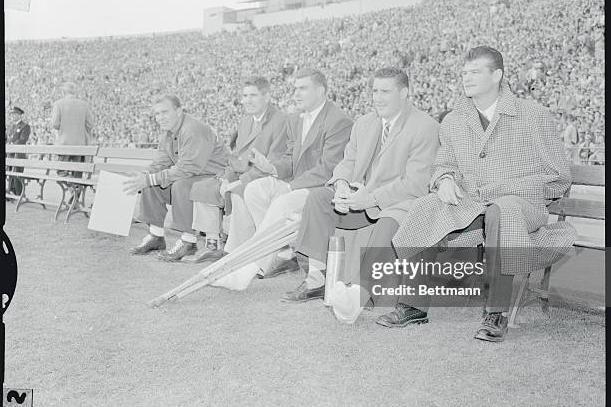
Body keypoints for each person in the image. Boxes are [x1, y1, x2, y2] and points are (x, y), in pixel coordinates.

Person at [360, 46, 576, 342]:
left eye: (475, 72)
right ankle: (412, 305)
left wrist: (508, 189)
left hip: (519, 205)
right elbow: (442, 165)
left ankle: (496, 313)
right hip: (471, 204)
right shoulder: (454, 120)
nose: (467, 77)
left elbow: (559, 177)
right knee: (426, 206)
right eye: (464, 72)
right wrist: (445, 180)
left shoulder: (533, 115)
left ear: (497, 75)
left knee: (504, 211)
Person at [282, 67, 440, 302]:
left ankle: (361, 291)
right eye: (375, 90)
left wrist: (372, 198)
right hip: (360, 198)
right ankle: (317, 278)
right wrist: (342, 184)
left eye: (385, 91)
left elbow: (415, 184)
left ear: (405, 93)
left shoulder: (425, 126)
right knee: (318, 197)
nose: (378, 97)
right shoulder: (364, 122)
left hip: (392, 203)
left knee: (380, 212)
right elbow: (348, 161)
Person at [213, 68, 353, 286]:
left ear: (321, 91)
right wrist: (270, 166)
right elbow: (289, 158)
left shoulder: (339, 121)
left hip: (321, 187)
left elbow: (328, 169)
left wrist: (291, 186)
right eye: (295, 88)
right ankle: (281, 251)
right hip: (297, 183)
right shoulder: (296, 119)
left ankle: (253, 266)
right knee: (254, 189)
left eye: (303, 88)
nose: (296, 94)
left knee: (282, 202)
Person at [187, 76, 288, 262]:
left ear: (267, 97)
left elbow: (274, 162)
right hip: (243, 173)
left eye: (253, 95)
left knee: (239, 191)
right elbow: (238, 158)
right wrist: (227, 177)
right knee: (205, 187)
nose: (247, 100)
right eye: (244, 95)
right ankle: (212, 244)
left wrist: (240, 181)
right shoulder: (246, 121)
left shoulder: (280, 121)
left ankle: (237, 250)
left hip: (264, 177)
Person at [123, 94, 228, 261]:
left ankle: (189, 241)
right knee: (151, 183)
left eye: (165, 112)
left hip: (216, 177)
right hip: (194, 175)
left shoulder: (193, 129)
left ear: (179, 111)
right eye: (157, 114)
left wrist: (150, 178)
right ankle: (156, 236)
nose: (160, 118)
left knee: (181, 185)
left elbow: (188, 168)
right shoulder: (168, 134)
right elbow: (160, 162)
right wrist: (144, 176)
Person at [51, 81, 95, 176]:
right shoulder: (84, 105)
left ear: (63, 92)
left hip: (64, 144)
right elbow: (90, 125)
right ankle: (75, 187)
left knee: (61, 172)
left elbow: (54, 124)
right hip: (79, 145)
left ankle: (72, 186)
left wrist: (63, 127)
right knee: (77, 174)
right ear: (75, 93)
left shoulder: (58, 104)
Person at [6, 106, 31, 197]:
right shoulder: (10, 126)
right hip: (10, 154)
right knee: (10, 173)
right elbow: (6, 138)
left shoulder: (25, 126)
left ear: (20, 115)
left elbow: (23, 139)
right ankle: (11, 191)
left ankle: (18, 193)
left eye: (15, 114)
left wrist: (12, 145)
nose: (13, 116)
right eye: (12, 114)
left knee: (17, 175)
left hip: (18, 155)